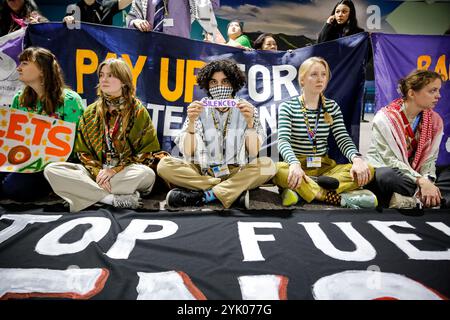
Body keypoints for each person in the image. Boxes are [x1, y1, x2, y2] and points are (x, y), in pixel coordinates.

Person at [44, 58, 160, 212]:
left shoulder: (138, 111)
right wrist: (99, 172)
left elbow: (145, 154)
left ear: (124, 81)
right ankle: (111, 199)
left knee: (146, 174)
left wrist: (114, 170)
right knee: (52, 170)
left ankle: (81, 194)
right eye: (101, 75)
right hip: (96, 173)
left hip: (126, 172)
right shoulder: (91, 112)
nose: (104, 79)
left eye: (111, 75)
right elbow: (83, 152)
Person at [157, 59, 276, 209]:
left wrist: (250, 123)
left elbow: (253, 151)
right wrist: (192, 123)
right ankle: (229, 191)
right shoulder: (198, 108)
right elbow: (187, 151)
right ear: (207, 85)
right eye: (213, 82)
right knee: (164, 165)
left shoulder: (248, 108)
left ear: (233, 84)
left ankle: (204, 195)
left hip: (235, 171)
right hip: (202, 171)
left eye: (225, 81)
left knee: (268, 165)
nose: (219, 87)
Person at [273, 56, 376, 208]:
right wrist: (294, 164)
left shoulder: (332, 107)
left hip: (324, 168)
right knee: (275, 170)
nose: (320, 79)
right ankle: (335, 198)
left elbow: (343, 138)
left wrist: (357, 159)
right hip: (298, 165)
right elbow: (283, 141)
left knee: (368, 169)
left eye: (323, 74)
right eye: (314, 74)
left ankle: (303, 190)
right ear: (302, 80)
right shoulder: (287, 107)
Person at [0, 47, 84, 202]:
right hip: (24, 159)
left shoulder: (70, 100)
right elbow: (14, 141)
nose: (19, 68)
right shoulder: (19, 99)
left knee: (12, 188)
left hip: (54, 167)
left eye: (25, 63)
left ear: (42, 70)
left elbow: (76, 145)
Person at [366, 69, 449, 208]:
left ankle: (411, 200)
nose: (438, 96)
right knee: (386, 176)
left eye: (438, 90)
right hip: (392, 172)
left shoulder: (435, 121)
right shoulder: (384, 119)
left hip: (416, 176)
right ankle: (430, 199)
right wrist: (421, 182)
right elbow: (389, 160)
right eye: (432, 91)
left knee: (447, 173)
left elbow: (429, 161)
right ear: (411, 93)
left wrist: (427, 180)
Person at [126, 0, 220, 38]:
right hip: (148, 47)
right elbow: (131, 19)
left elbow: (213, 6)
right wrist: (135, 22)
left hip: (178, 49)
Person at [63, 0, 132, 26]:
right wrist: (66, 19)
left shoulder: (107, 5)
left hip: (103, 52)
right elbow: (66, 23)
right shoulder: (73, 8)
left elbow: (126, 1)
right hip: (80, 52)